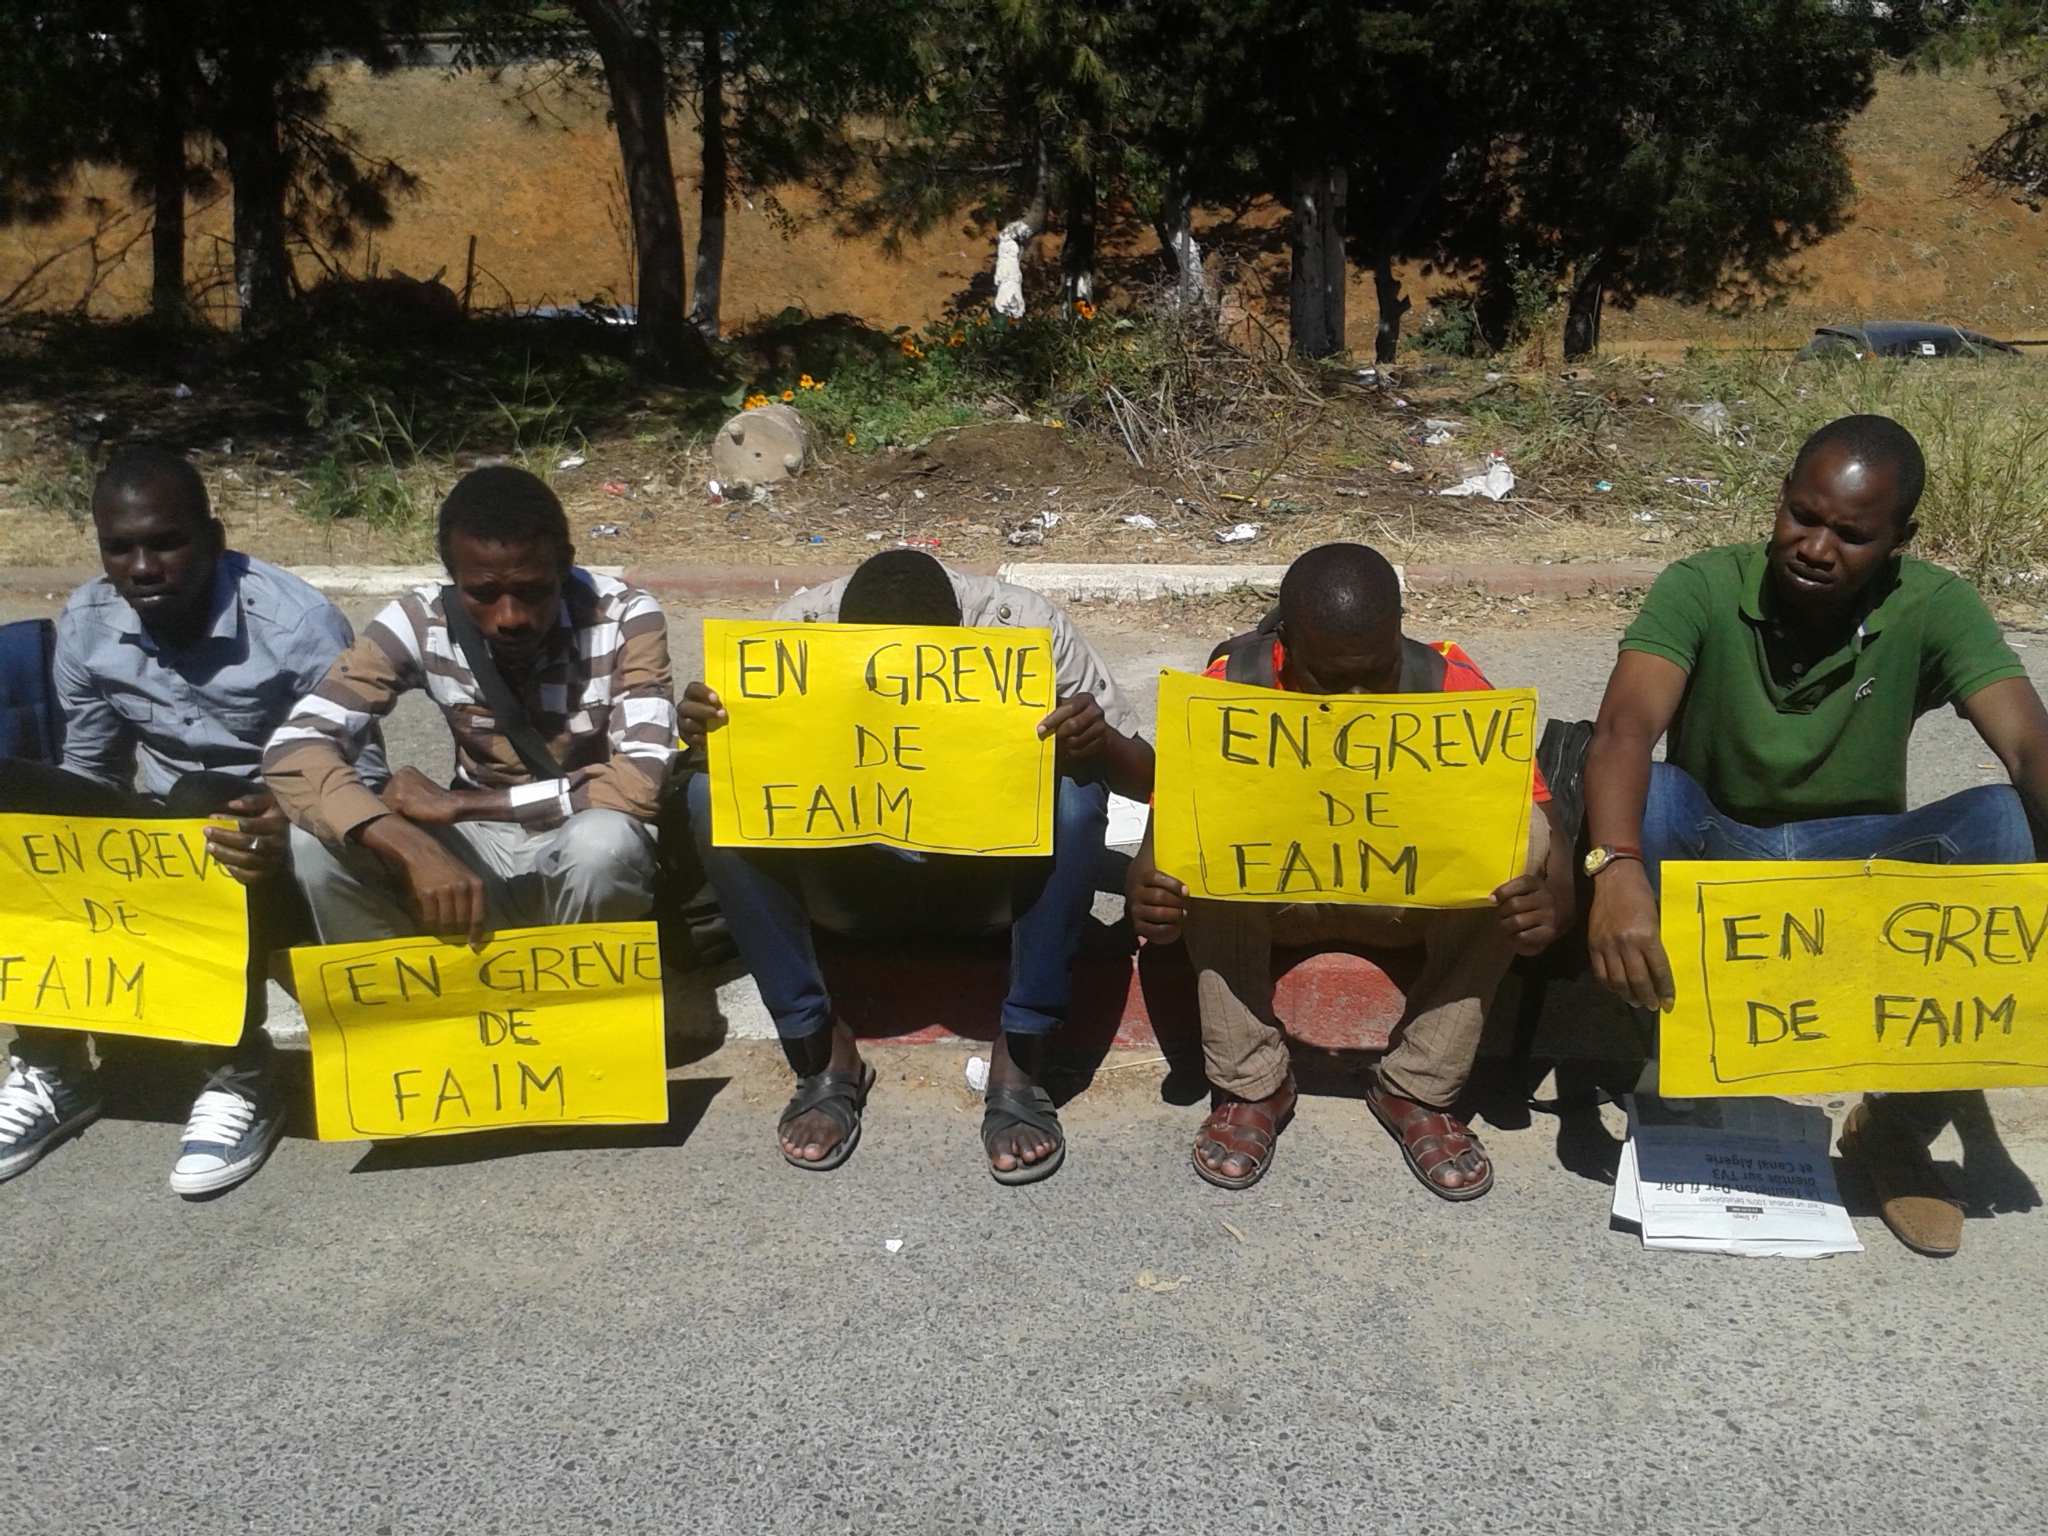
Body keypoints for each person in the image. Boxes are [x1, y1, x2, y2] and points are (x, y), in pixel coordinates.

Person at [1582, 413, 2048, 1257]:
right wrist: (1613, 868)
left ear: (1899, 542)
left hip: (1856, 865)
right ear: (1780, 499)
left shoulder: (1934, 603)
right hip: (1719, 850)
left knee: (2007, 826)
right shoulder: (1701, 585)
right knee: (1649, 799)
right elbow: (1623, 729)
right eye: (1802, 516)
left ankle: (1894, 1129)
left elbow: (2027, 745)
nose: (1817, 548)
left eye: (1852, 535)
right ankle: (1685, 1076)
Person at [680, 548, 1153, 1184]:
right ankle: (819, 1047)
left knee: (1075, 790)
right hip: (848, 889)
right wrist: (707, 737)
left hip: (985, 889)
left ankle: (1022, 1054)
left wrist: (1098, 741)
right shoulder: (797, 634)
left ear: (958, 630)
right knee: (710, 791)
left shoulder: (1027, 631)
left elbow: (1145, 776)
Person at [1126, 542, 1572, 1197]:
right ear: (1286, 645)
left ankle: (1417, 1086)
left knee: (1520, 837)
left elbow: (1548, 827)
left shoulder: (1449, 683)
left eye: (1376, 671)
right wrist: (1153, 897)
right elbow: (1158, 842)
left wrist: (1552, 907)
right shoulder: (1231, 688)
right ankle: (1252, 1084)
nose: (1359, 697)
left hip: (1406, 904)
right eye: (1332, 679)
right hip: (1277, 903)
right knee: (1201, 836)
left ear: (1397, 633)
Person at [0, 445, 377, 1196]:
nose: (142, 567)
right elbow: (92, 775)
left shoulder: (297, 624)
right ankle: (52, 1063)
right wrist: (65, 855)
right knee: (19, 795)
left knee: (208, 799)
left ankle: (242, 1073)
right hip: (170, 840)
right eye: (119, 548)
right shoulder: (89, 622)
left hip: (276, 842)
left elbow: (362, 777)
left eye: (166, 543)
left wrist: (288, 817)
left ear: (213, 538)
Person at [267, 465, 675, 950]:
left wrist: (459, 804)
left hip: (579, 838)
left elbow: (642, 781)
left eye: (532, 590)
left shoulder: (625, 614)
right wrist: (406, 843)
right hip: (474, 847)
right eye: (482, 594)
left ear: (564, 565)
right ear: (452, 575)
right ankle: (397, 994)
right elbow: (294, 747)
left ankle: (586, 988)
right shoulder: (420, 620)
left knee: (603, 844)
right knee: (317, 841)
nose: (510, 617)